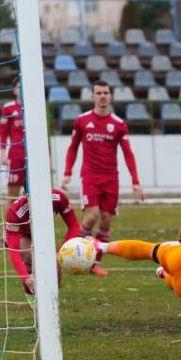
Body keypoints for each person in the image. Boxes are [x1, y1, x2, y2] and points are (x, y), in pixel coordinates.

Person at [61, 80, 144, 276]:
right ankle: (69, 252)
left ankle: (93, 263)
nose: (102, 96)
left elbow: (128, 153)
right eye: (98, 93)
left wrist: (135, 181)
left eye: (106, 92)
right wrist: (67, 172)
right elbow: (73, 147)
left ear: (111, 96)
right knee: (92, 216)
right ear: (92, 96)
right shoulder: (82, 121)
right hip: (89, 176)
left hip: (110, 178)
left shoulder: (118, 124)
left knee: (106, 221)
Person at [3, 188, 81, 296]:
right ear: (27, 198)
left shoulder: (58, 198)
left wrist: (61, 251)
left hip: (43, 235)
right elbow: (13, 250)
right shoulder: (15, 212)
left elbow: (74, 226)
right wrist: (25, 278)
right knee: (33, 257)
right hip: (22, 235)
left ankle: (48, 301)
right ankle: (30, 291)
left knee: (55, 270)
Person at [0, 79, 26, 203]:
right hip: (16, 156)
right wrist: (3, 153)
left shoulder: (34, 108)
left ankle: (31, 222)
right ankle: (8, 223)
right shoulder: (8, 108)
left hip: (32, 156)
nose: (21, 88)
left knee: (33, 194)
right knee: (13, 194)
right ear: (15, 91)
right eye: (19, 86)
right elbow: (3, 132)